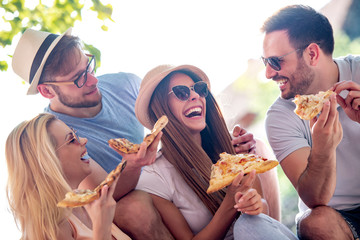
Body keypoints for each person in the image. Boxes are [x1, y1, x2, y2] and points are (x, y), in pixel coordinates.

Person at [11, 28, 173, 239]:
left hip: (165, 170)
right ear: (47, 91)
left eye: (88, 66)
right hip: (127, 197)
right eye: (78, 78)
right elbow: (102, 195)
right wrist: (133, 164)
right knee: (134, 209)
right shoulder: (58, 135)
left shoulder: (126, 84)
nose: (93, 81)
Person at [134, 64, 297, 239]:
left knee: (248, 224)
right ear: (160, 109)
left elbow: (262, 217)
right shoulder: (154, 177)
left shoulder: (233, 148)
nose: (195, 95)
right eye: (181, 92)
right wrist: (230, 202)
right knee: (245, 226)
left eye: (198, 89)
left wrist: (255, 204)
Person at [261, 4, 360, 239]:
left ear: (312, 54)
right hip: (338, 217)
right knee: (315, 223)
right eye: (264, 61)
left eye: (275, 62)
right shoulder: (279, 117)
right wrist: (323, 149)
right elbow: (315, 199)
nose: (267, 73)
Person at [5, 113, 127, 239]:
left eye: (76, 134)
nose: (84, 140)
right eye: (71, 140)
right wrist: (102, 229)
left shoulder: (85, 201)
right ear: (48, 160)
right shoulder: (51, 229)